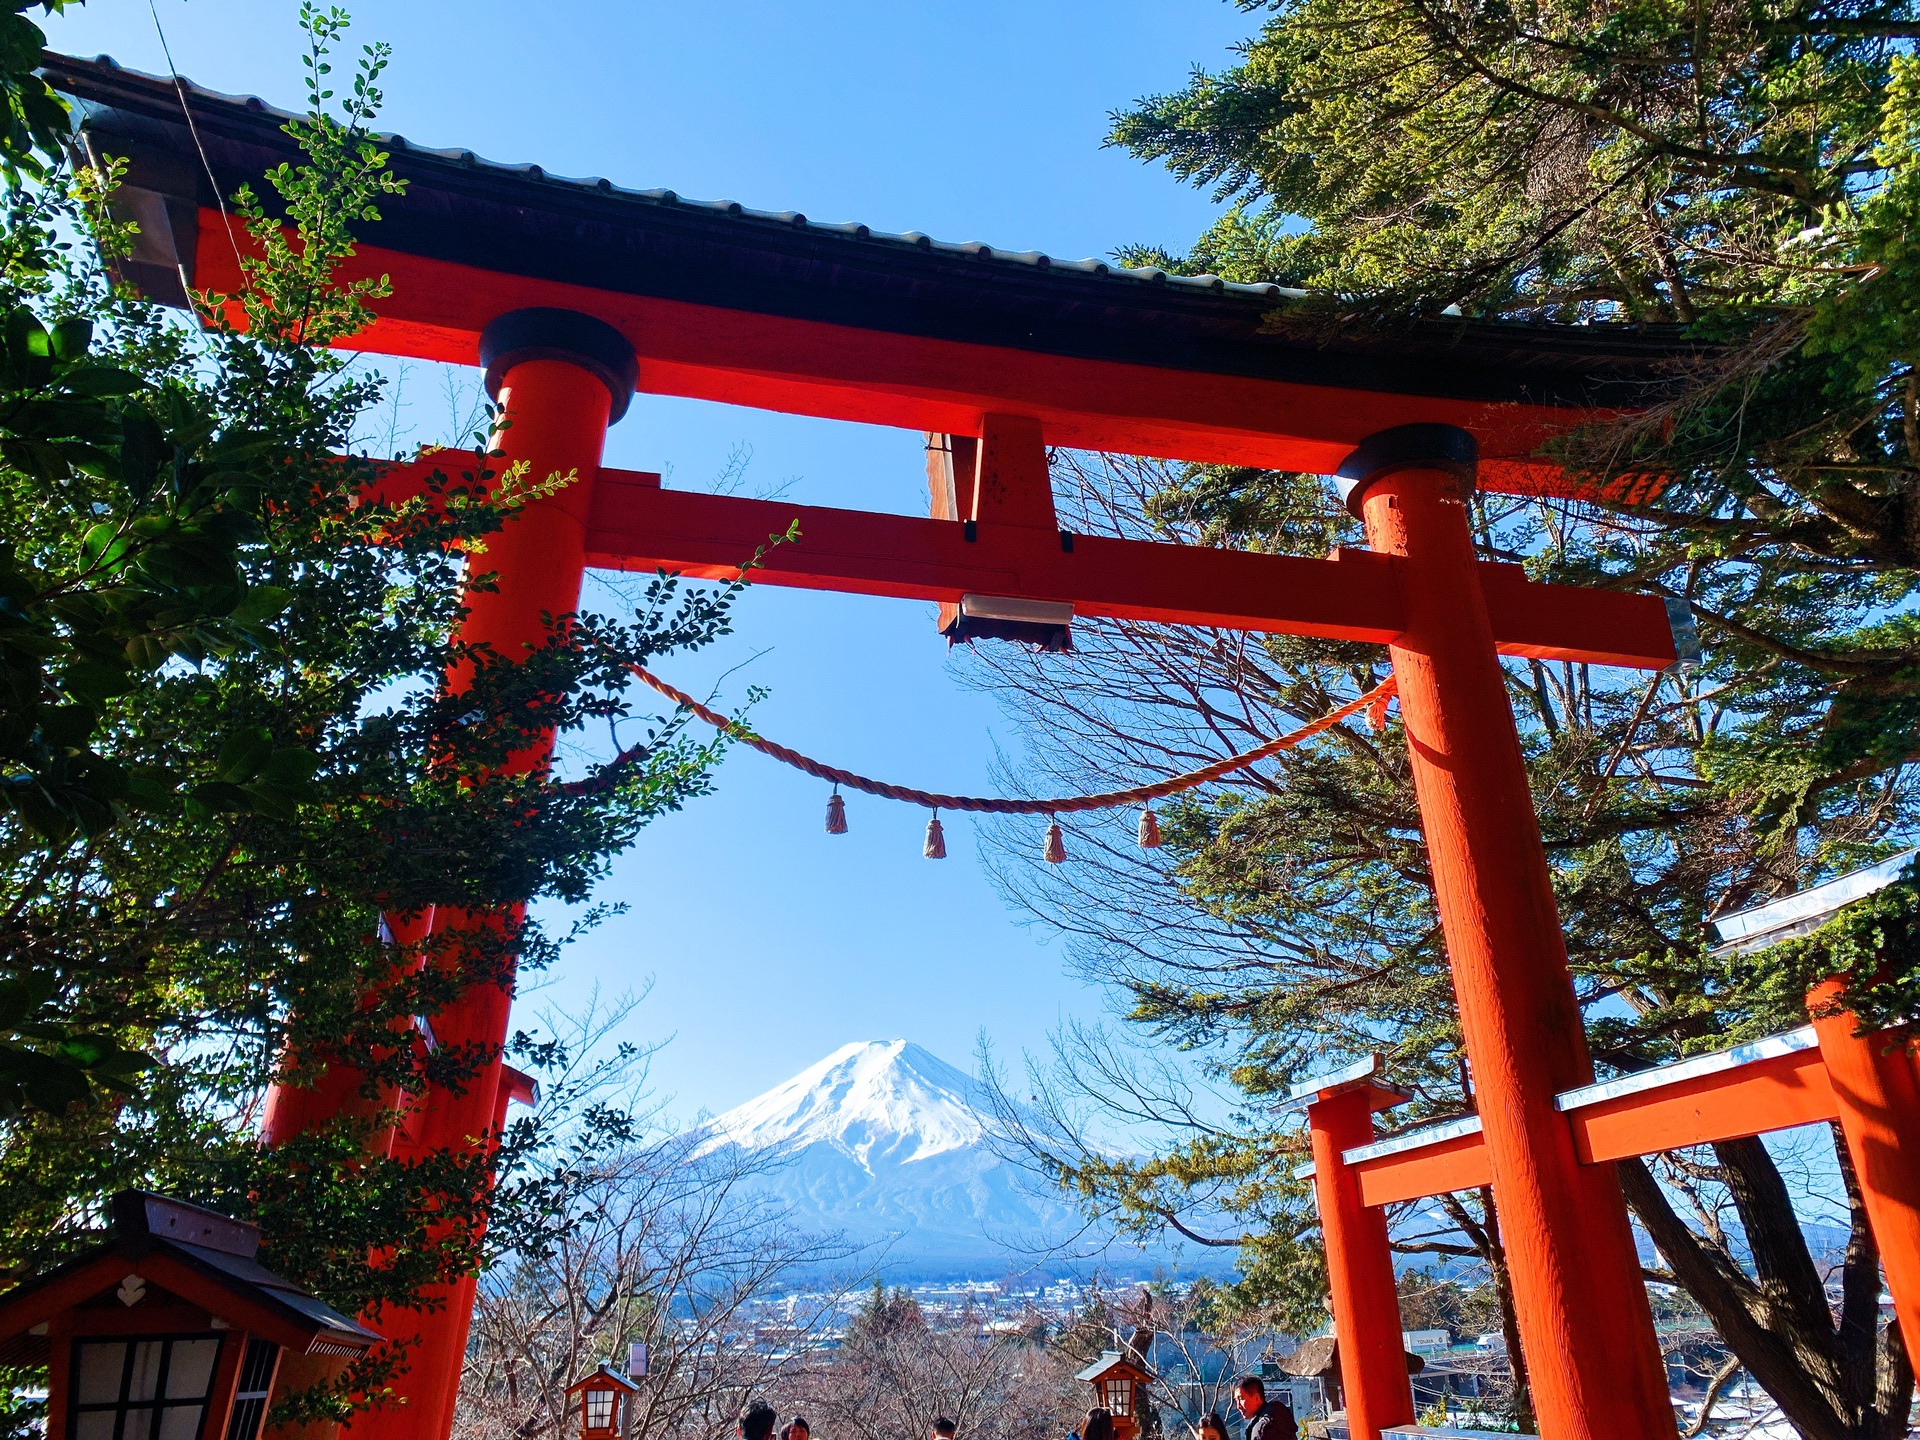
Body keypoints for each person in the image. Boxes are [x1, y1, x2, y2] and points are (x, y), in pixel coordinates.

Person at [1235, 1376, 1294, 1440]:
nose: (1238, 1406)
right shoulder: (1279, 1415)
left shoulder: (1263, 1429)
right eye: (1236, 1400)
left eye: (1241, 1399)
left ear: (1256, 1398)